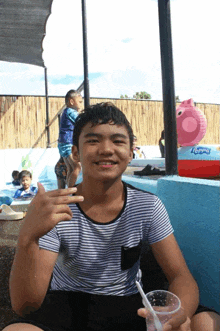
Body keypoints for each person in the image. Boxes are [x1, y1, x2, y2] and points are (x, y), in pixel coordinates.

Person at [4, 103, 219, 331]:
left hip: (128, 307)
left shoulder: (147, 206)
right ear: (75, 152)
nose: (106, 149)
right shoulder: (59, 210)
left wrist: (178, 313)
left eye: (117, 141)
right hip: (68, 305)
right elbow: (26, 305)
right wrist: (28, 238)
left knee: (206, 323)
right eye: (93, 140)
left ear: (129, 153)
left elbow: (181, 276)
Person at [57, 89, 82, 187]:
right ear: (71, 102)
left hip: (63, 144)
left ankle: (68, 191)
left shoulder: (66, 112)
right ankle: (70, 191)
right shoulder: (70, 111)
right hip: (67, 144)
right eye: (80, 102)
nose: (81, 104)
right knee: (77, 166)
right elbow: (80, 120)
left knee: (71, 169)